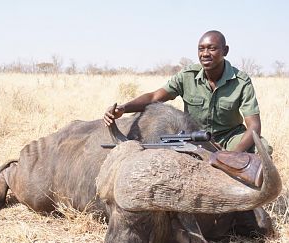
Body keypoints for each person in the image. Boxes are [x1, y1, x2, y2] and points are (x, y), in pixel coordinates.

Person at [104, 30, 271, 153]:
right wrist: (123, 108)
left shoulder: (241, 81)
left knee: (262, 148)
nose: (205, 54)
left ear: (225, 51)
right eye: (201, 49)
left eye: (212, 48)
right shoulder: (187, 75)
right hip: (194, 136)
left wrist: (232, 155)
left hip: (230, 139)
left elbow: (254, 126)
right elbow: (155, 97)